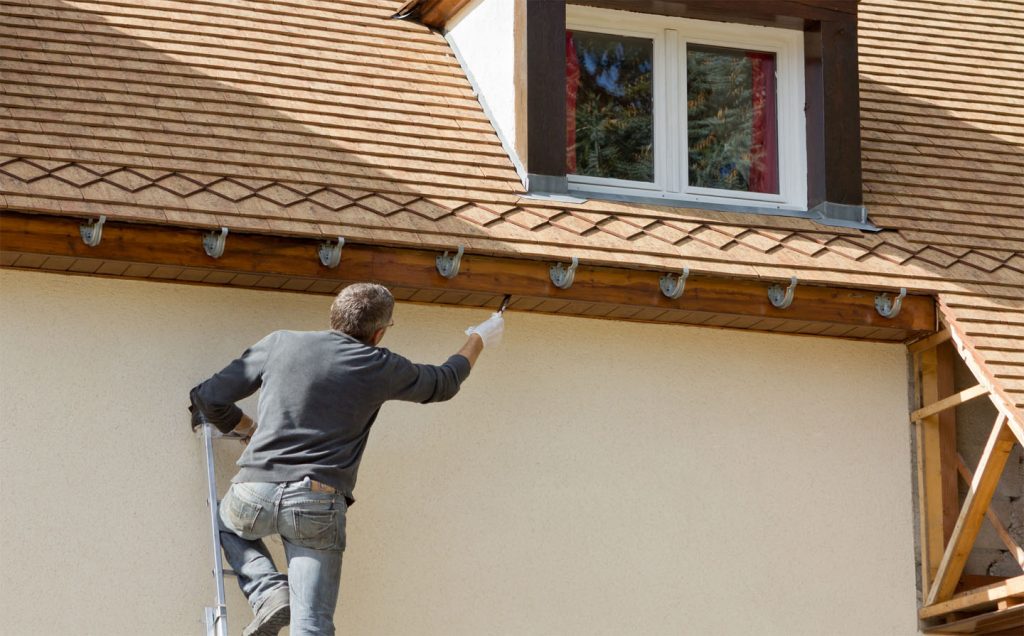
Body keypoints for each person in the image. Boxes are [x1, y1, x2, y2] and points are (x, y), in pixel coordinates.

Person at [189, 283, 505, 636]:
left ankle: (267, 591)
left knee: (223, 518)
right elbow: (444, 382)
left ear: (334, 316)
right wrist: (479, 337)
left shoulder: (280, 342)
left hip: (254, 492)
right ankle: (273, 596)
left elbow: (208, 396)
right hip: (317, 503)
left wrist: (247, 427)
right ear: (380, 332)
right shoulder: (380, 366)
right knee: (312, 625)